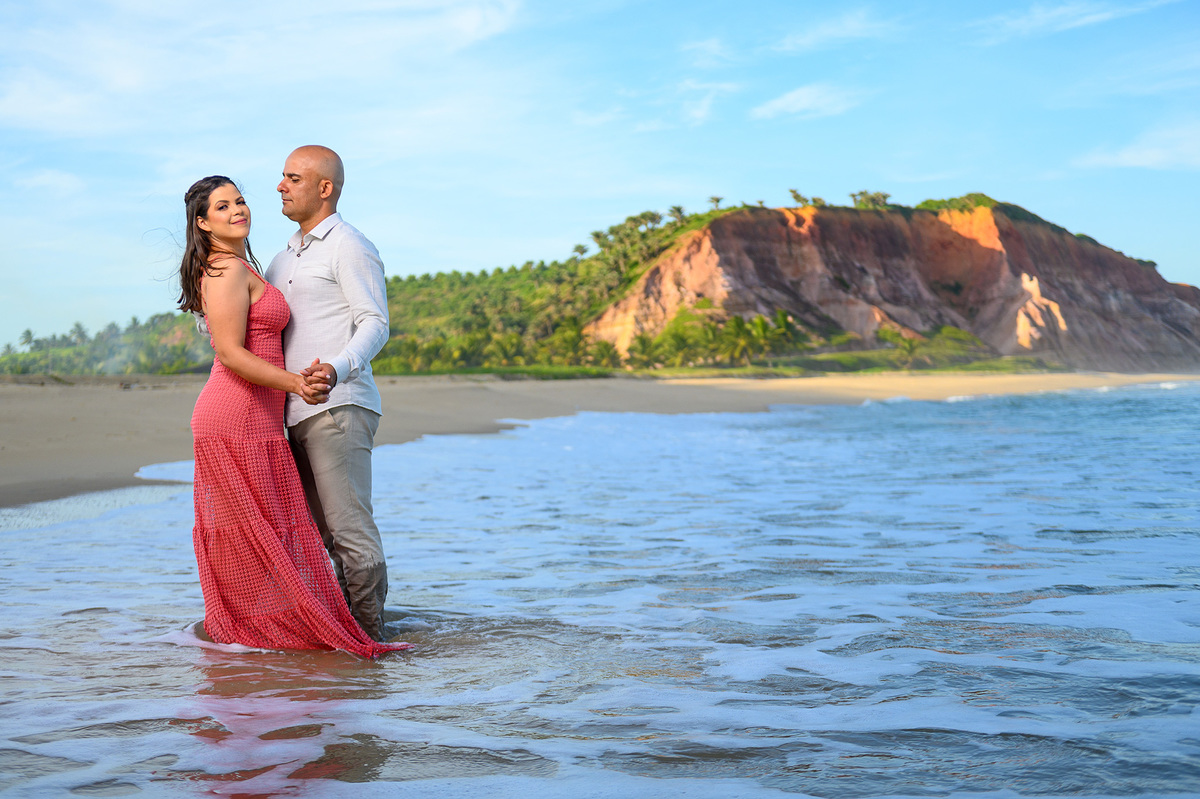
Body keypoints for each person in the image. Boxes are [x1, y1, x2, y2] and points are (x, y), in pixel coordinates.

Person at [178, 175, 408, 658]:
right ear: (202, 223)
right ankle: (288, 636)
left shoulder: (297, 256)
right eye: (223, 206)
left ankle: (317, 636)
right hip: (243, 411)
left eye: (239, 201)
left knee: (278, 529)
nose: (240, 208)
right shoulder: (236, 267)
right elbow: (230, 350)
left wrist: (324, 373)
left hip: (280, 413)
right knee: (256, 530)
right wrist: (295, 383)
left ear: (325, 187)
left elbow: (373, 322)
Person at [265, 146, 393, 642]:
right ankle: (340, 638)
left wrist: (337, 369)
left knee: (349, 531)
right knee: (315, 537)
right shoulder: (280, 260)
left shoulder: (350, 245)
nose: (280, 186)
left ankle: (370, 643)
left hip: (339, 406)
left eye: (293, 178)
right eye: (282, 176)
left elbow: (375, 323)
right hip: (290, 412)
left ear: (325, 188)